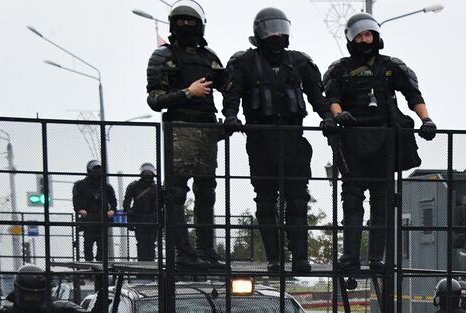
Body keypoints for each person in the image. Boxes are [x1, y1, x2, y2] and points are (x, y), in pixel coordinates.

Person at [323, 12, 436, 274]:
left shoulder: (391, 67)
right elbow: (331, 98)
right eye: (360, 36)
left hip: (385, 142)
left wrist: (426, 120)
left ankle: (376, 258)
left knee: (383, 200)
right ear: (352, 39)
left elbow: (413, 95)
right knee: (351, 200)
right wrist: (339, 116)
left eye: (369, 35)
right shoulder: (340, 69)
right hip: (353, 140)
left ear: (376, 37)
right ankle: (350, 256)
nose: (365, 40)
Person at [222, 7, 327, 275]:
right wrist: (232, 116)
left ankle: (301, 258)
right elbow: (232, 95)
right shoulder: (244, 62)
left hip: (293, 137)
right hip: (260, 139)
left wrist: (328, 117)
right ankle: (275, 258)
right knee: (265, 201)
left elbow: (317, 95)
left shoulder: (299, 62)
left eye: (281, 29)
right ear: (258, 33)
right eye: (270, 29)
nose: (276, 35)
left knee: (298, 199)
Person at [147, 1, 227, 269]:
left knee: (207, 192)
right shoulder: (163, 57)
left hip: (208, 129)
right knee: (175, 192)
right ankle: (183, 251)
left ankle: (206, 251)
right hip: (179, 127)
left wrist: (232, 115)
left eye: (190, 22)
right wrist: (187, 93)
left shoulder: (209, 57)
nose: (185, 26)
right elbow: (155, 99)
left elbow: (229, 85)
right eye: (180, 21)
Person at [72, 160, 118, 263]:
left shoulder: (106, 186)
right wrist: (80, 210)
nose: (97, 172)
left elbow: (113, 201)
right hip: (89, 217)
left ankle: (100, 265)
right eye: (95, 169)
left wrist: (112, 210)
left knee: (102, 244)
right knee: (88, 242)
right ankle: (90, 264)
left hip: (102, 216)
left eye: (99, 169)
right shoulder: (80, 185)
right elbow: (76, 200)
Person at [122, 163, 160, 262]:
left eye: (149, 172)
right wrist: (130, 218)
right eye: (146, 172)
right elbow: (127, 204)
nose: (147, 174)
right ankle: (144, 268)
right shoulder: (134, 186)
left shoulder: (157, 188)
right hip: (141, 218)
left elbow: (161, 205)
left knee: (151, 243)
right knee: (143, 244)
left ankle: (150, 268)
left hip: (151, 218)